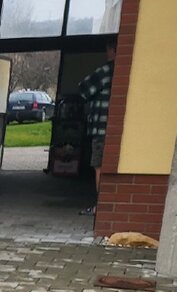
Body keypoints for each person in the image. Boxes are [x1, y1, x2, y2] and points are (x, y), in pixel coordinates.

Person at [78, 39, 116, 215]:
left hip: (101, 129)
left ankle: (100, 207)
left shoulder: (107, 71)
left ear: (112, 50)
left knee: (99, 166)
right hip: (115, 130)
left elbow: (84, 89)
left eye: (108, 49)